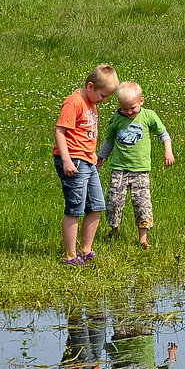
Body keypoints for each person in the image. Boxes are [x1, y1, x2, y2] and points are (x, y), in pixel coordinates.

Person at [96, 81, 175, 249]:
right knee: (114, 201)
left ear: (141, 101)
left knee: (142, 203)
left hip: (140, 170)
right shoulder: (117, 119)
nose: (129, 112)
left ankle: (143, 239)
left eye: (132, 108)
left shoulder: (148, 116)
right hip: (119, 169)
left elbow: (163, 134)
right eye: (125, 108)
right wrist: (100, 158)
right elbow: (109, 142)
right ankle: (114, 229)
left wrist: (168, 150)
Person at [55, 64, 118, 266]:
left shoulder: (91, 103)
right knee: (75, 207)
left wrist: (93, 157)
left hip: (87, 161)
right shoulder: (74, 103)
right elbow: (60, 132)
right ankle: (70, 256)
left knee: (97, 205)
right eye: (103, 96)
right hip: (73, 160)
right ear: (90, 87)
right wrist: (66, 160)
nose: (105, 100)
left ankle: (87, 250)